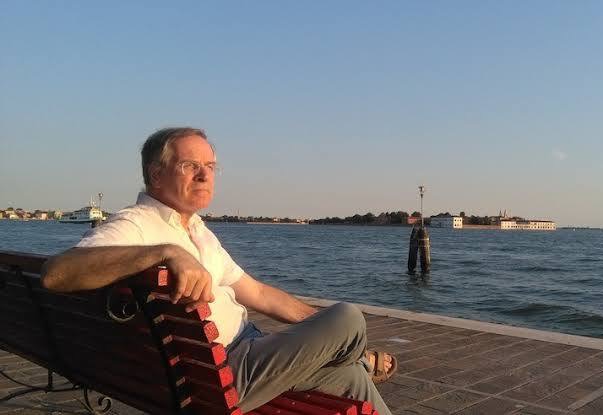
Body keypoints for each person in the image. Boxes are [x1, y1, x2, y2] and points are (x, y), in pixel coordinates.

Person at [41, 127, 396, 414]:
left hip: (230, 361)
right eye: (190, 166)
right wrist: (164, 252)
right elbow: (56, 273)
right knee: (349, 317)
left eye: (211, 166)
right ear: (156, 174)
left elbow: (259, 294)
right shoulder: (137, 225)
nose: (204, 175)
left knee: (351, 376)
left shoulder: (196, 230)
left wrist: (330, 336)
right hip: (218, 378)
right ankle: (361, 357)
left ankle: (357, 360)